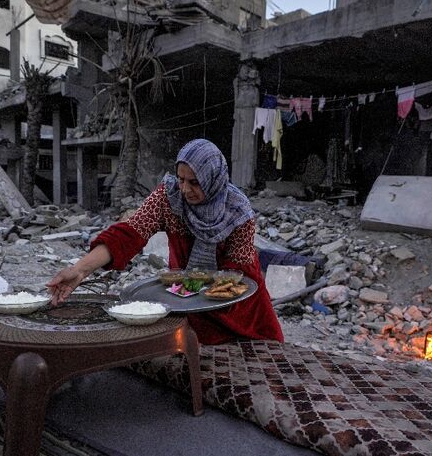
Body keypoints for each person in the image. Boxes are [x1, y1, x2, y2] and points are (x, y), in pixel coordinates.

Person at [47, 139, 284, 344]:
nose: (184, 189)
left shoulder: (237, 210)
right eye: (181, 179)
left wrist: (198, 290)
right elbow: (128, 234)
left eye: (195, 182)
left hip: (238, 308)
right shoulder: (168, 198)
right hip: (186, 301)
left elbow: (237, 276)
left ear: (213, 178)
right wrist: (79, 271)